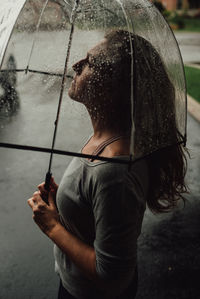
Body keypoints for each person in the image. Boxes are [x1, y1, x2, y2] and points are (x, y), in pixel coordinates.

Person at [28, 30, 188, 299]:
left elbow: (112, 276)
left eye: (90, 62)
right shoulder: (105, 136)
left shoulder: (114, 170)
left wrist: (52, 226)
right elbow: (94, 208)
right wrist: (68, 201)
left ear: (113, 85)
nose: (76, 64)